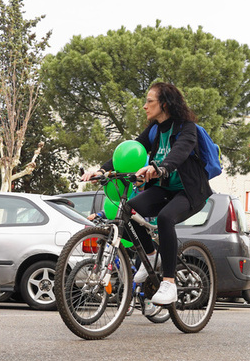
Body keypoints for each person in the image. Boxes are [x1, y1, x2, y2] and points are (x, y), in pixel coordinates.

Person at [81, 83, 213, 306]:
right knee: (126, 210)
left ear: (164, 104)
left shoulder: (186, 128)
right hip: (163, 189)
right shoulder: (154, 129)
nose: (144, 106)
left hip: (189, 192)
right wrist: (102, 170)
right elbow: (131, 150)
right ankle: (151, 254)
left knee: (165, 218)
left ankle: (169, 283)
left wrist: (160, 168)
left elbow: (179, 152)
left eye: (149, 101)